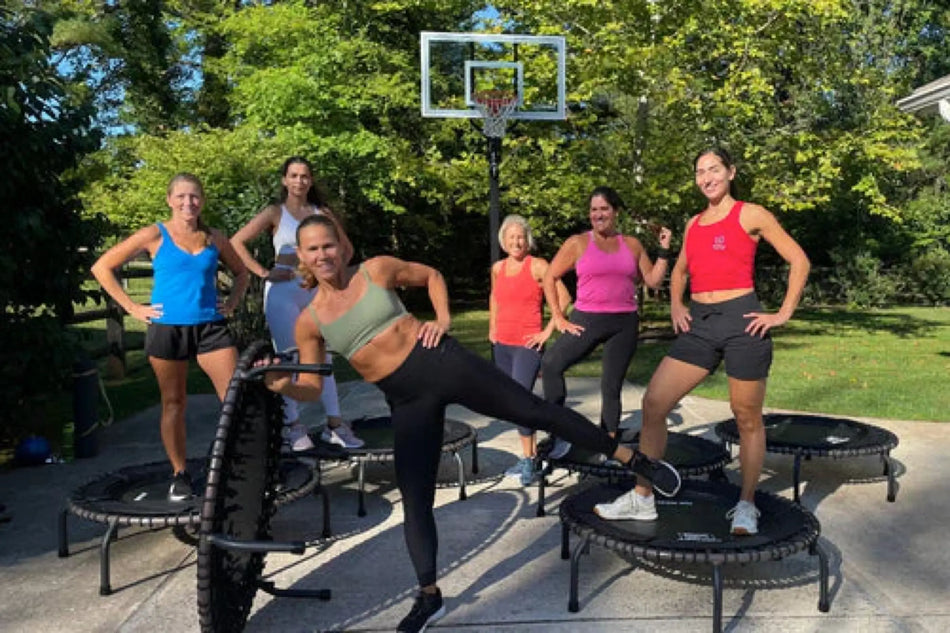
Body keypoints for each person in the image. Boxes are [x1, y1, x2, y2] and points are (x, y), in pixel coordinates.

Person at [259, 214, 679, 633]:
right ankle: (428, 596)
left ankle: (633, 459)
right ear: (303, 257)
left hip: (443, 363)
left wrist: (441, 320)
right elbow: (312, 387)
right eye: (312, 249)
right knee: (416, 498)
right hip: (406, 400)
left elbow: (432, 276)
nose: (322, 255)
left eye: (327, 245)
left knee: (533, 411)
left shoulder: (376, 270)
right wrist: (282, 385)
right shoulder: (310, 320)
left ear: (340, 245)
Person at [594, 147, 810, 535]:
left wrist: (782, 313)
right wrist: (677, 304)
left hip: (743, 320)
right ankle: (643, 497)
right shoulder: (693, 224)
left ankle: (746, 504)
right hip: (701, 326)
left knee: (746, 416)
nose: (706, 177)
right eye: (699, 171)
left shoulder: (751, 214)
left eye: (713, 169)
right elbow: (678, 272)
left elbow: (799, 260)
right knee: (654, 402)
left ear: (730, 172)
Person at [91, 173, 249, 501]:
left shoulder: (214, 238)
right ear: (169, 200)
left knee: (235, 398)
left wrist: (232, 301)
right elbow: (102, 267)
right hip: (167, 329)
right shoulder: (154, 234)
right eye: (181, 196)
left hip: (211, 328)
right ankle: (180, 473)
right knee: (173, 402)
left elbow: (242, 272)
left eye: (194, 196)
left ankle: (240, 465)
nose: (188, 202)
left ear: (202, 201)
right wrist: (132, 307)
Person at [230, 156, 363, 451]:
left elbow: (347, 249)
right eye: (293, 175)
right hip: (283, 291)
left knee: (323, 355)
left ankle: (335, 424)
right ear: (284, 180)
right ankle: (293, 425)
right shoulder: (275, 212)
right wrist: (264, 271)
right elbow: (236, 242)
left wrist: (329, 275)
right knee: (290, 357)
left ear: (311, 180)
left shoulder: (321, 212)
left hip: (315, 290)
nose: (299, 181)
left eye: (304, 176)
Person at [541, 186, 672, 457]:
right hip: (587, 318)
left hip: (623, 323)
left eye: (604, 209)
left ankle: (609, 447)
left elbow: (653, 280)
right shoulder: (578, 243)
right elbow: (549, 277)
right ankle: (559, 432)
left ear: (615, 212)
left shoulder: (632, 244)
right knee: (552, 363)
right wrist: (558, 316)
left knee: (611, 387)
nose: (598, 215)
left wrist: (663, 250)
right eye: (593, 210)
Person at [489, 214, 570, 486]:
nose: (516, 241)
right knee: (510, 403)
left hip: (527, 344)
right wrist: (492, 328)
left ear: (527, 240)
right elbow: (494, 297)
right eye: (511, 237)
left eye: (520, 237)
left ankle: (531, 460)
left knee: (520, 400)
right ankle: (530, 455)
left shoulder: (537, 266)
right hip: (502, 343)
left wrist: (548, 330)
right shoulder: (498, 268)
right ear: (503, 240)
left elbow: (564, 296)